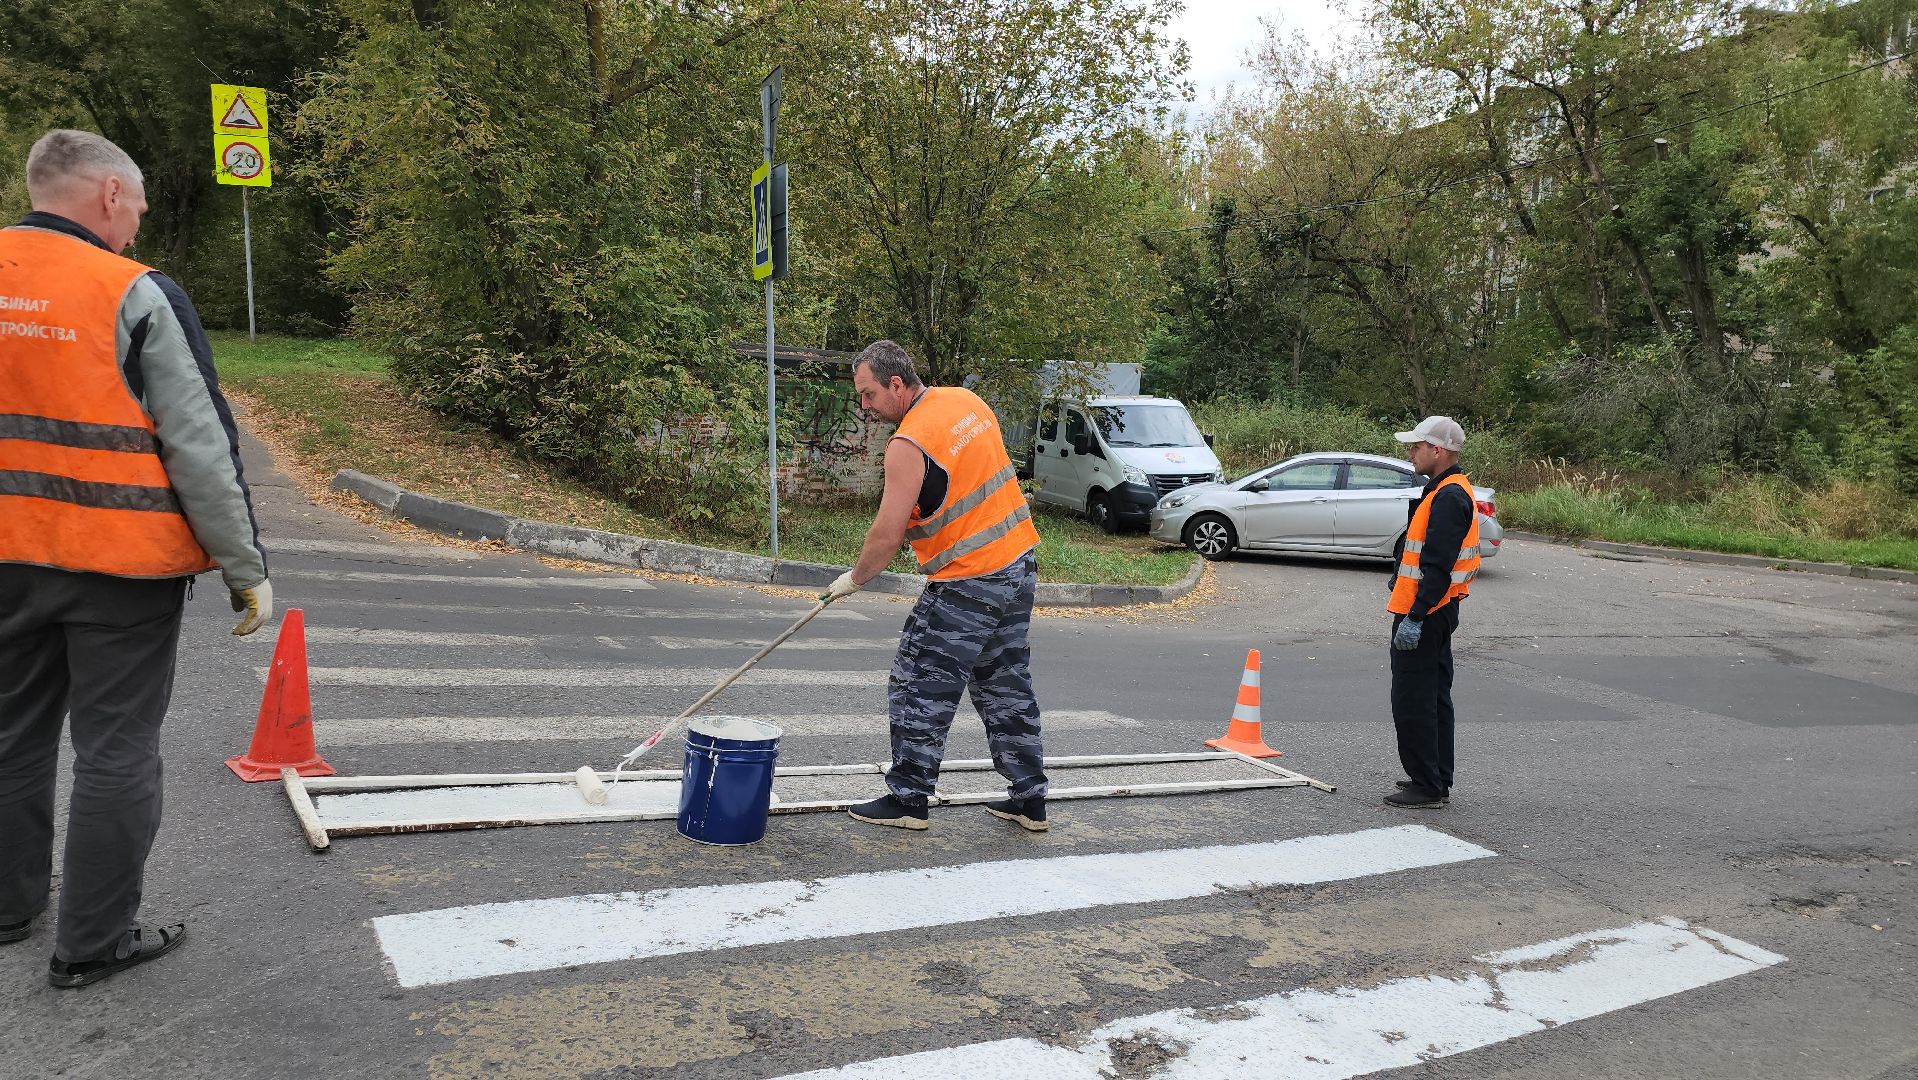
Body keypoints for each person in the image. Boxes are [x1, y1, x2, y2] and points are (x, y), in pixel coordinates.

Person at [0, 130, 272, 988]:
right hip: (120, 567)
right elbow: (199, 444)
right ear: (110, 195)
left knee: (11, 734)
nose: (139, 223)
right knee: (117, 748)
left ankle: (8, 907)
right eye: (139, 206)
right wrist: (245, 567)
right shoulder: (133, 292)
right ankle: (91, 944)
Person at [823, 340, 1049, 831]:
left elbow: (886, 533)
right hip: (1019, 563)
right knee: (1004, 684)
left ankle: (909, 799)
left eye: (868, 394)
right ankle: (1030, 799)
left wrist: (853, 579)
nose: (865, 406)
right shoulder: (965, 402)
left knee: (917, 683)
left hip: (969, 580)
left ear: (897, 385)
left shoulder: (908, 443)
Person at [1383, 416, 1481, 809]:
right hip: (1438, 611)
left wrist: (1415, 617)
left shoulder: (1449, 497)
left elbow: (1437, 567)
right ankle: (1435, 776)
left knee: (1413, 699)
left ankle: (1426, 785)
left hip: (1425, 614)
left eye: (1416, 446)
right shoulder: (1444, 490)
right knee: (1434, 696)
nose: (1410, 453)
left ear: (1437, 451)